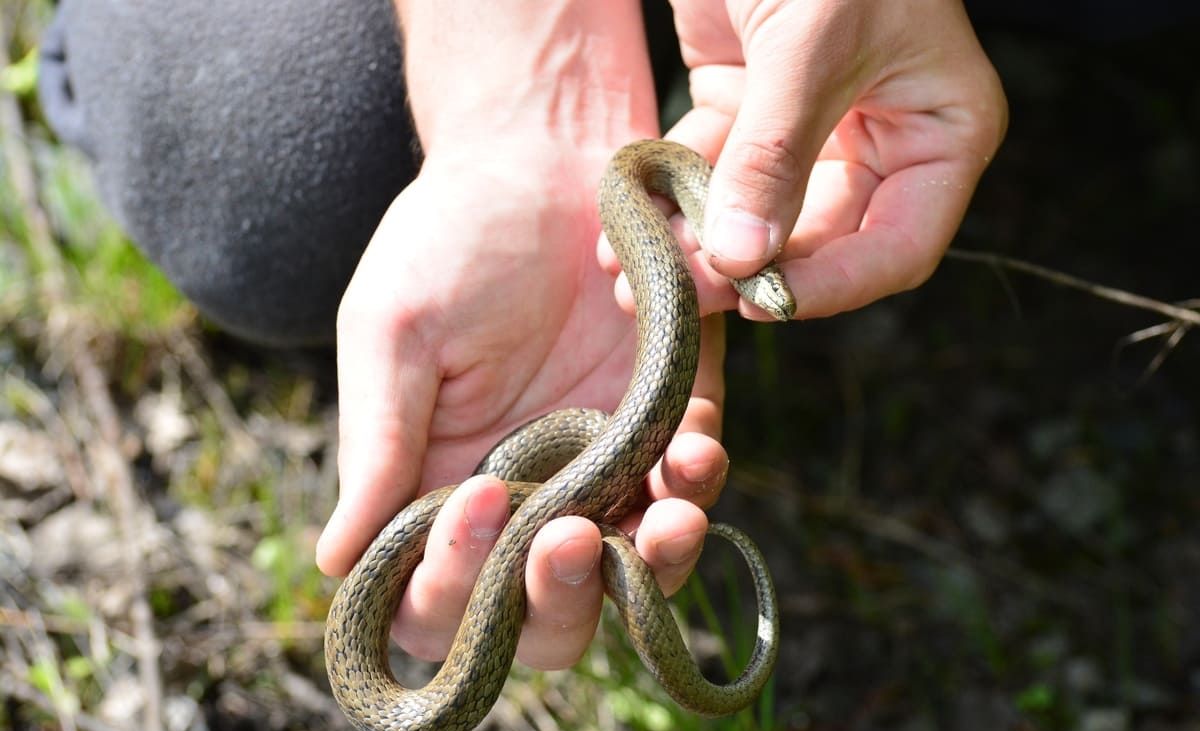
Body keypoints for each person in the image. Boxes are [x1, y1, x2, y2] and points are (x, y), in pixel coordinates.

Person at [40, 0, 1006, 670]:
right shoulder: (649, 199)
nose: (765, 297)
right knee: (261, 171)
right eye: (763, 282)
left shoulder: (671, 223)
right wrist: (526, 103)